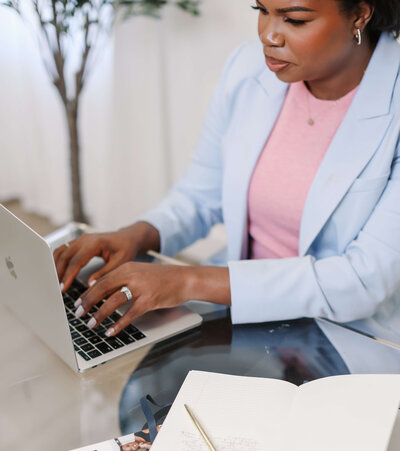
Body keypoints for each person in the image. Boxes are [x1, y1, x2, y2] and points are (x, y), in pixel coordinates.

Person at [54, 0, 400, 337]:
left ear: (359, 14)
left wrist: (188, 280)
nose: (269, 35)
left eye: (293, 20)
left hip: (349, 333)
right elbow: (201, 194)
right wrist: (137, 234)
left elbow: (362, 281)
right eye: (261, 11)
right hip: (237, 311)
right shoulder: (248, 68)